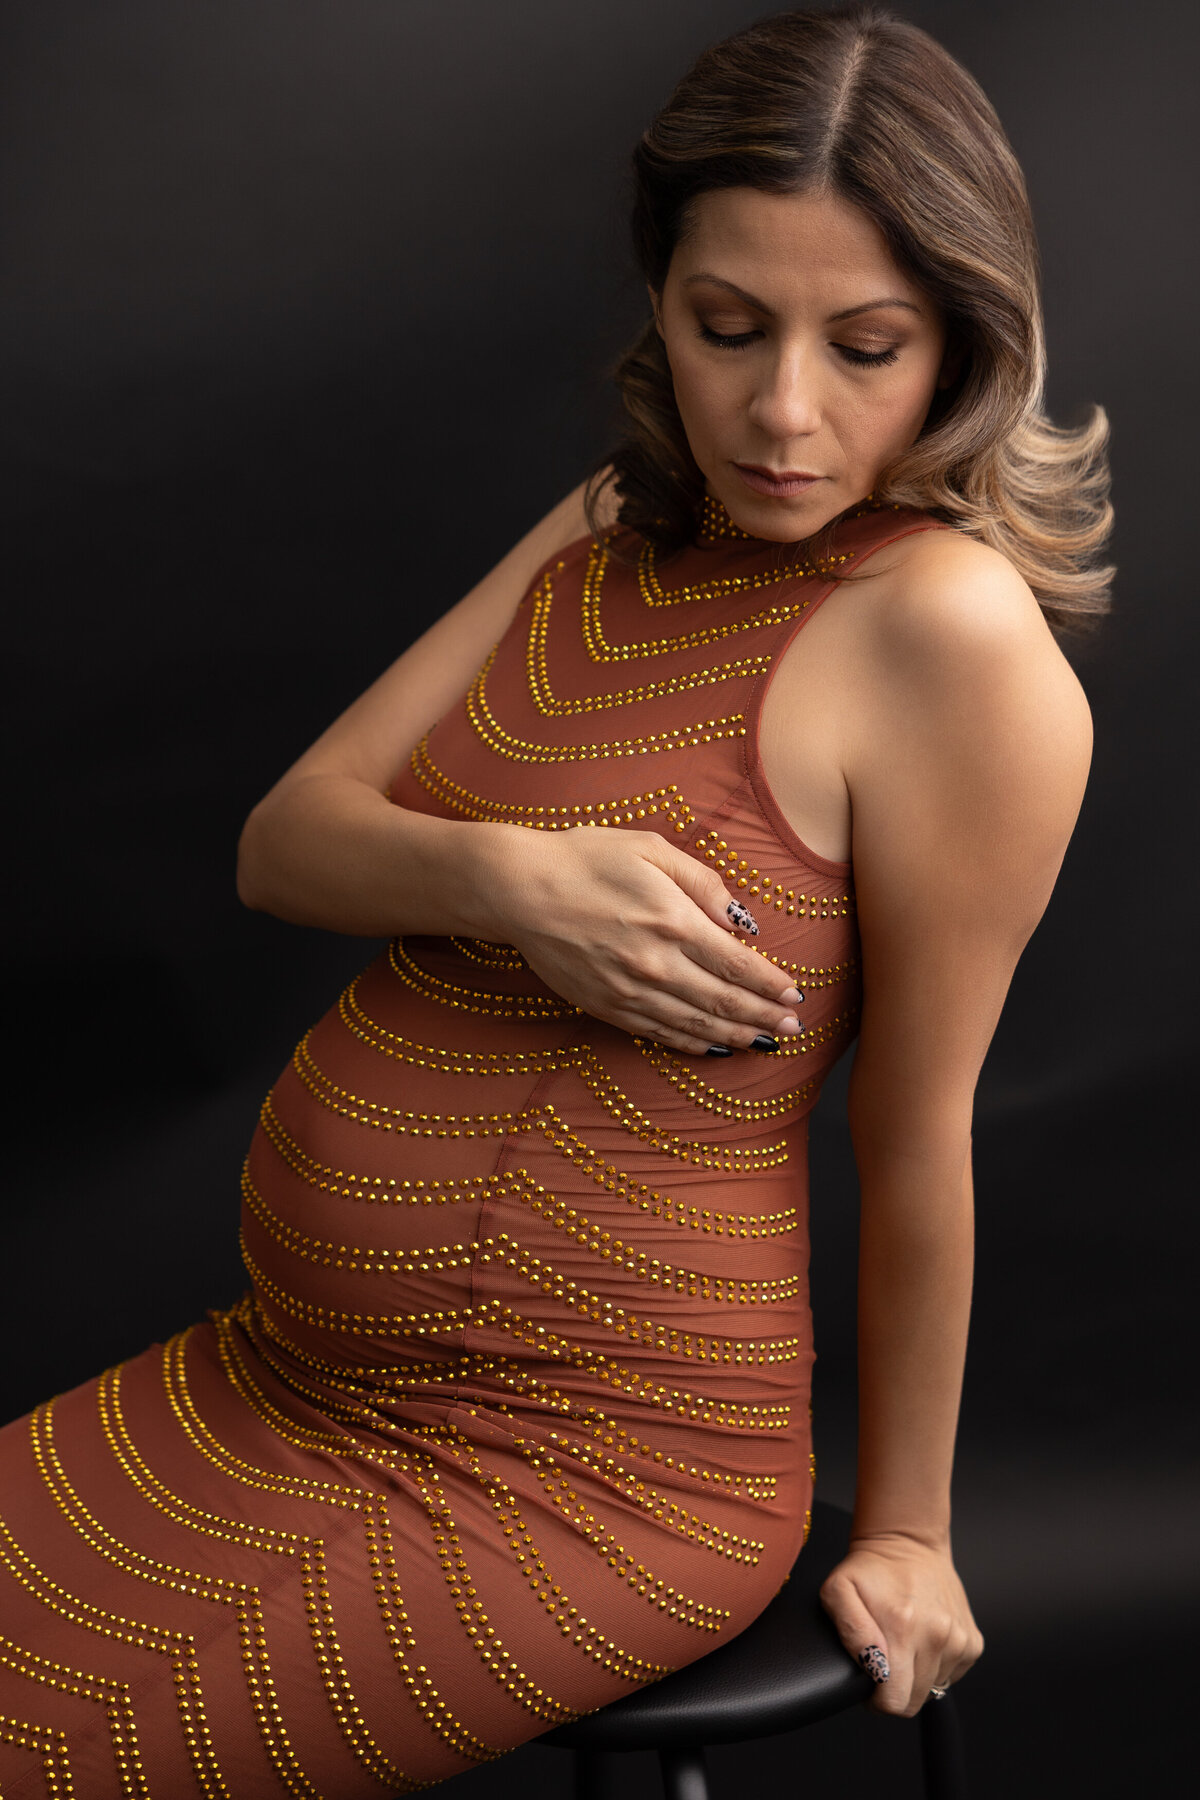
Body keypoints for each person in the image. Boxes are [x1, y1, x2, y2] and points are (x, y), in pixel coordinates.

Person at [0, 4, 1111, 1792]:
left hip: (584, 1468)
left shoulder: (952, 646)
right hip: (285, 1380)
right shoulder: (614, 524)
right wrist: (511, 882)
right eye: (726, 326)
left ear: (969, 345)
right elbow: (285, 842)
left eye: (869, 344)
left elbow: (918, 1135)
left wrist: (908, 1528)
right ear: (661, 299)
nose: (782, 410)